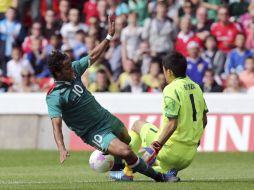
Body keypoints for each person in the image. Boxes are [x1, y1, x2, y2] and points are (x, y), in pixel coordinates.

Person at [46, 16, 167, 183]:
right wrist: (61, 148)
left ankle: (118, 170)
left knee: (127, 140)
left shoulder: (74, 70)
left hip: (104, 117)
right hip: (93, 131)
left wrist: (109, 36)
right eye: (67, 66)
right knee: (125, 151)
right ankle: (159, 177)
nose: (72, 67)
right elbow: (56, 125)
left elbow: (92, 55)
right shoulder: (55, 96)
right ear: (58, 73)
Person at [112, 51, 208, 182]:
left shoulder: (171, 89)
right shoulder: (197, 88)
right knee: (160, 164)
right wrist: (195, 140)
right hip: (188, 156)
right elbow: (204, 120)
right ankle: (168, 172)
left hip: (170, 151)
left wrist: (155, 147)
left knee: (137, 125)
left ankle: (127, 173)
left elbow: (172, 124)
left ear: (168, 71)